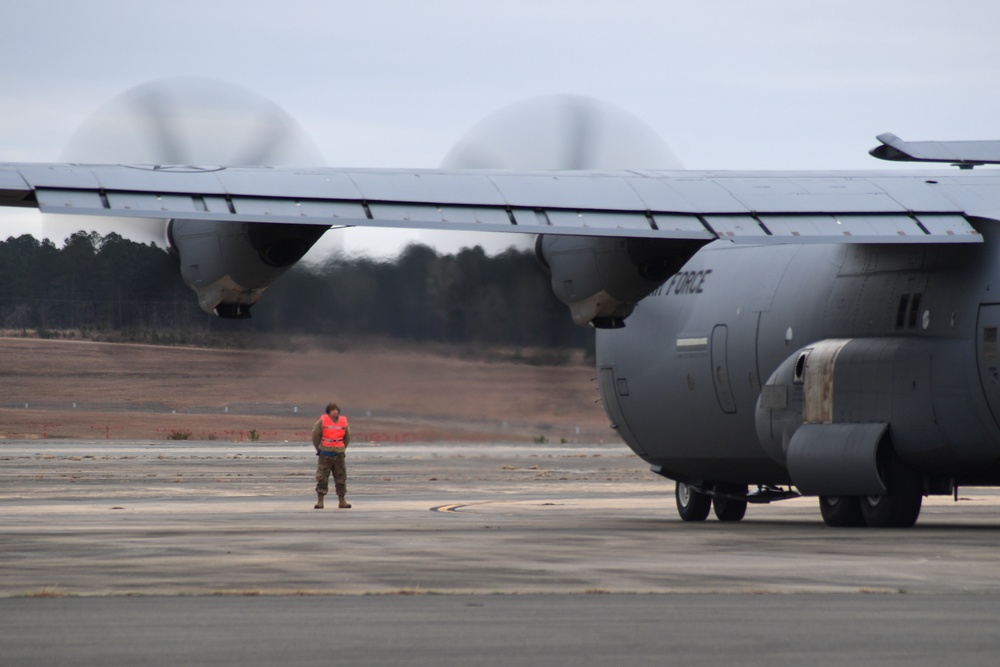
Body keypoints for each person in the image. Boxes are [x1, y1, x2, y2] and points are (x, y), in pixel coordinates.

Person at [312, 402, 352, 509]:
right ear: (328, 412)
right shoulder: (322, 422)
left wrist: (342, 448)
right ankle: (320, 501)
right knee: (322, 478)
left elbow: (347, 437)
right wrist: (319, 449)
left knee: (341, 477)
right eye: (333, 410)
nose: (335, 412)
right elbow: (315, 435)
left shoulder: (343, 422)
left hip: (339, 454)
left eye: (336, 410)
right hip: (325, 454)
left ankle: (342, 501)